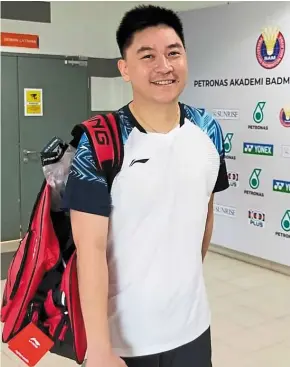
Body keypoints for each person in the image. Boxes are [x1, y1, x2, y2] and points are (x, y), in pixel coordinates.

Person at [63, 5, 229, 367]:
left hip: (193, 328)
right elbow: (88, 251)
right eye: (147, 55)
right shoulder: (101, 141)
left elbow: (205, 212)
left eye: (173, 53)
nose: (164, 66)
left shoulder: (208, 129)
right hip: (125, 342)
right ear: (124, 68)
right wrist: (99, 348)